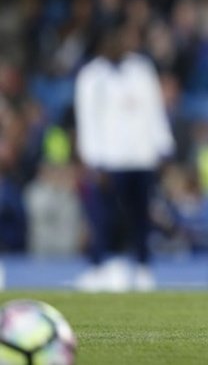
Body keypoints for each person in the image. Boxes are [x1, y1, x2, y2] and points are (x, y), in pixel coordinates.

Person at [74, 16, 175, 291]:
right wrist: (94, 161)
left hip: (141, 157)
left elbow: (155, 110)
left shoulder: (141, 69)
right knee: (102, 216)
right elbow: (87, 121)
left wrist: (164, 146)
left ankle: (143, 268)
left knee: (141, 215)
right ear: (103, 43)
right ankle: (100, 267)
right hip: (110, 160)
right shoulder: (92, 76)